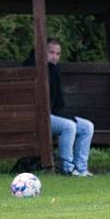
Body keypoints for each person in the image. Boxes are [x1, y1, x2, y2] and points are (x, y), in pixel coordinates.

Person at [24, 39, 95, 176]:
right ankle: (67, 168)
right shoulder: (32, 67)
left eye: (58, 53)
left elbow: (57, 103)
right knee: (68, 126)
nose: (55, 56)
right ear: (42, 51)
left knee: (87, 126)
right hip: (36, 118)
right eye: (51, 52)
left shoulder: (54, 69)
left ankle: (81, 169)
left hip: (51, 115)